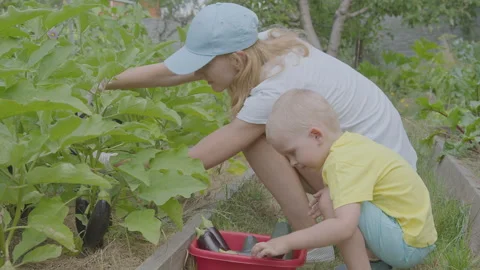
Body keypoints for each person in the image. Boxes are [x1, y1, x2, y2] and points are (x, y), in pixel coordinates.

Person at [102, 2, 419, 261]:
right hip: (388, 177)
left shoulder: (276, 85)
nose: (197, 73)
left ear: (237, 60)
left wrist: (123, 166)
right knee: (262, 134)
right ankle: (323, 235)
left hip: (386, 209)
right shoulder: (262, 43)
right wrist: (102, 81)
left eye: (203, 65)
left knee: (255, 139)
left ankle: (315, 246)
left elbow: (203, 157)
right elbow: (169, 72)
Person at [251, 89, 437, 270]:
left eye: (292, 152)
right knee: (333, 197)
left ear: (316, 135)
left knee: (332, 204)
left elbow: (343, 227)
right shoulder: (349, 146)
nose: (292, 162)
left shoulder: (342, 163)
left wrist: (286, 242)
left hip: (407, 245)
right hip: (415, 237)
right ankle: (375, 262)